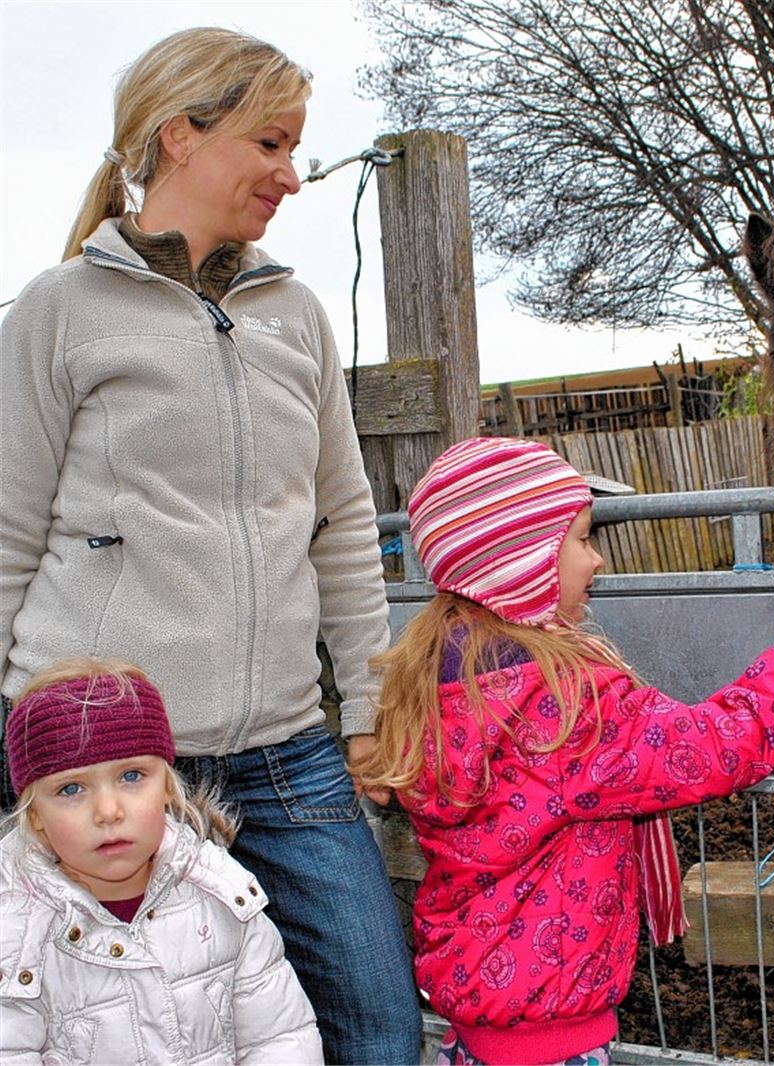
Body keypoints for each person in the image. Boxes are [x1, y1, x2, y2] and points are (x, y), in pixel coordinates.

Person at [0, 27, 421, 1064]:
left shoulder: (296, 316)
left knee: (379, 1026)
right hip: (103, 761)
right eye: (270, 144)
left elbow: (342, 531)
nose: (290, 174)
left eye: (295, 148)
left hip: (286, 751)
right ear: (180, 134)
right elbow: (7, 530)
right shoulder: (58, 312)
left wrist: (366, 709)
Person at [350, 436, 774, 1066]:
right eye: (583, 539)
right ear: (524, 562)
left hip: (477, 1030)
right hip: (554, 1042)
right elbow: (708, 746)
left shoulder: (431, 684)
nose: (596, 561)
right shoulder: (569, 707)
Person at [0, 657, 324, 1064]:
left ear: (169, 789)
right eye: (70, 789)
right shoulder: (15, 932)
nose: (108, 810)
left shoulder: (224, 896)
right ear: (35, 816)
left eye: (131, 776)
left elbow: (280, 1039)